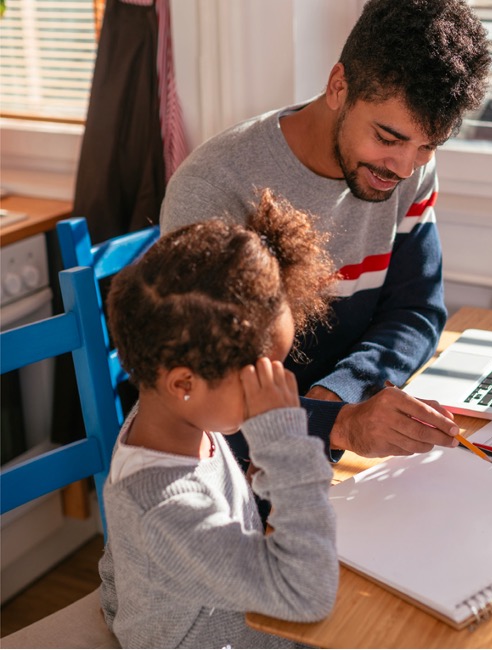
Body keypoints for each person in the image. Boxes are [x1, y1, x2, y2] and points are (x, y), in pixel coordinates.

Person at [160, 0, 492, 463]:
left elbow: (415, 310)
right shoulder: (215, 187)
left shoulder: (411, 167)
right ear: (339, 86)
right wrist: (338, 424)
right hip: (223, 472)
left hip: (321, 451)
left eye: (427, 146)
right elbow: (195, 396)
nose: (402, 168)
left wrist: (338, 395)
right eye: (388, 138)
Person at [98, 189, 339, 649]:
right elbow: (309, 595)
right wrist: (286, 447)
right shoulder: (167, 508)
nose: (276, 383)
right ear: (183, 383)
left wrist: (123, 609)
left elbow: (121, 558)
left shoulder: (167, 422)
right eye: (258, 375)